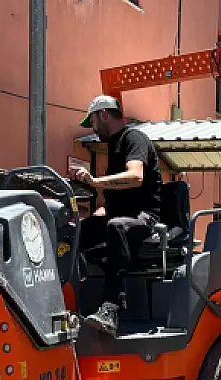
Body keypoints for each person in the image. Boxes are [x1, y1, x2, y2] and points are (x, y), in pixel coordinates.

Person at [69, 95, 163, 336]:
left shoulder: (134, 138)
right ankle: (68, 300)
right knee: (76, 232)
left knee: (116, 227)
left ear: (103, 115)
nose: (92, 128)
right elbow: (113, 201)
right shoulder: (114, 146)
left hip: (145, 219)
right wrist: (93, 217)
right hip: (119, 215)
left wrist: (96, 181)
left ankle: (111, 309)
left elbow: (136, 177)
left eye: (92, 122)